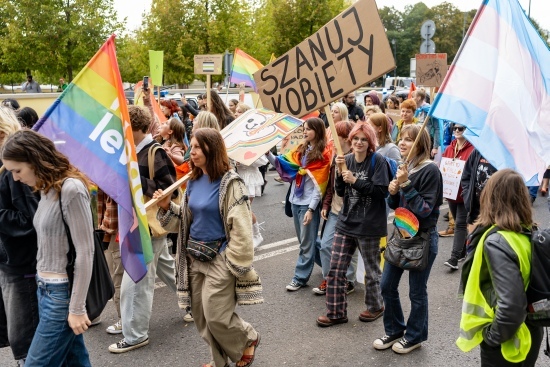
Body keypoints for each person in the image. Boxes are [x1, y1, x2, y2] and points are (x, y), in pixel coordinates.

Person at [154, 128, 262, 367]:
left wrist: (231, 260)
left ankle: (248, 337)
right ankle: (219, 361)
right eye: (190, 147)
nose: (191, 152)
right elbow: (184, 220)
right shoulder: (192, 180)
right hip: (194, 257)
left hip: (219, 257)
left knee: (216, 316)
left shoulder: (230, 182)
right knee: (201, 317)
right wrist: (165, 206)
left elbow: (241, 226)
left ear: (211, 149)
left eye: (196, 147)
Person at [2, 130, 94, 366]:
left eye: (17, 170)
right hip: (44, 290)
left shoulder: (71, 188)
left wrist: (76, 308)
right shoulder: (45, 189)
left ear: (35, 160)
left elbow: (86, 252)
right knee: (75, 362)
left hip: (60, 295)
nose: (15, 178)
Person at [108, 105, 182, 353]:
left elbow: (170, 188)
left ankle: (136, 335)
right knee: (169, 271)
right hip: (139, 225)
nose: (121, 129)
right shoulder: (131, 151)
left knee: (136, 283)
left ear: (137, 127)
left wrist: (133, 178)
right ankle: (193, 303)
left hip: (148, 228)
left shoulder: (155, 152)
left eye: (125, 125)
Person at [457, 169, 543, 366]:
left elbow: (511, 305)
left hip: (507, 339)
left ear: (490, 197)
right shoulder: (529, 232)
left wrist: (491, 337)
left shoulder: (497, 241)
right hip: (531, 330)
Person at [373, 124, 443, 354]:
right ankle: (394, 330)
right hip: (401, 236)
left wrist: (405, 184)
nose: (402, 142)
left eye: (409, 139)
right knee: (387, 285)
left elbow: (424, 210)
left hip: (422, 239)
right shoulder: (405, 167)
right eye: (401, 138)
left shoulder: (431, 171)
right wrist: (392, 192)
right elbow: (397, 206)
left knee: (416, 291)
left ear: (420, 144)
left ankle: (414, 336)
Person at [317, 122, 390, 327]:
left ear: (370, 142)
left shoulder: (378, 161)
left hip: (369, 225)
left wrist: (356, 180)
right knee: (336, 270)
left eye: (363, 139)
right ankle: (336, 312)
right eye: (355, 139)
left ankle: (376, 306)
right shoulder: (346, 160)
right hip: (346, 222)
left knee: (372, 271)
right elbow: (340, 192)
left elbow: (381, 192)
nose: (359, 143)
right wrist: (341, 175)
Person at [267, 117, 332, 291]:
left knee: (306, 243)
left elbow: (320, 186)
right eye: (304, 128)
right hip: (295, 200)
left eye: (309, 129)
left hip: (308, 204)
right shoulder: (301, 149)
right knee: (308, 241)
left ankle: (300, 278)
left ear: (318, 131)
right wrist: (268, 154)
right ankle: (333, 268)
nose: (305, 131)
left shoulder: (324, 154)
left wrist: (311, 209)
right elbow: (282, 164)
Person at [0, 109, 40, 367]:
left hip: (22, 266)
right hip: (11, 263)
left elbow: (32, 221)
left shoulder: (14, 171)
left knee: (25, 341)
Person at [314, 121, 355, 296]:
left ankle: (349, 281)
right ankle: (329, 278)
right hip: (335, 210)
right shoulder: (334, 156)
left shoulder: (356, 157)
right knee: (325, 245)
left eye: (336, 134)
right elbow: (331, 186)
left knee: (350, 249)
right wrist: (326, 204)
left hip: (353, 212)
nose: (332, 137)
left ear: (345, 138)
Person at [438, 124, 474, 270]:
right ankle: (463, 251)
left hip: (465, 193)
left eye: (461, 128)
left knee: (459, 223)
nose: (458, 131)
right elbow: (443, 168)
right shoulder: (449, 148)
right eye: (455, 129)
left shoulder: (473, 150)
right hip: (451, 192)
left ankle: (454, 258)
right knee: (459, 222)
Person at [461, 149, 498, 233]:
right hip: (476, 211)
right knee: (472, 244)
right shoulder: (478, 150)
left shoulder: (508, 152)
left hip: (498, 213)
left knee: (494, 243)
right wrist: (467, 197)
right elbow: (466, 175)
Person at [413, 89, 440, 158]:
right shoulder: (415, 110)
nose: (412, 98)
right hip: (417, 139)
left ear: (418, 98)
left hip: (428, 140)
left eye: (414, 96)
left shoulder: (430, 110)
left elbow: (437, 128)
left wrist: (435, 147)